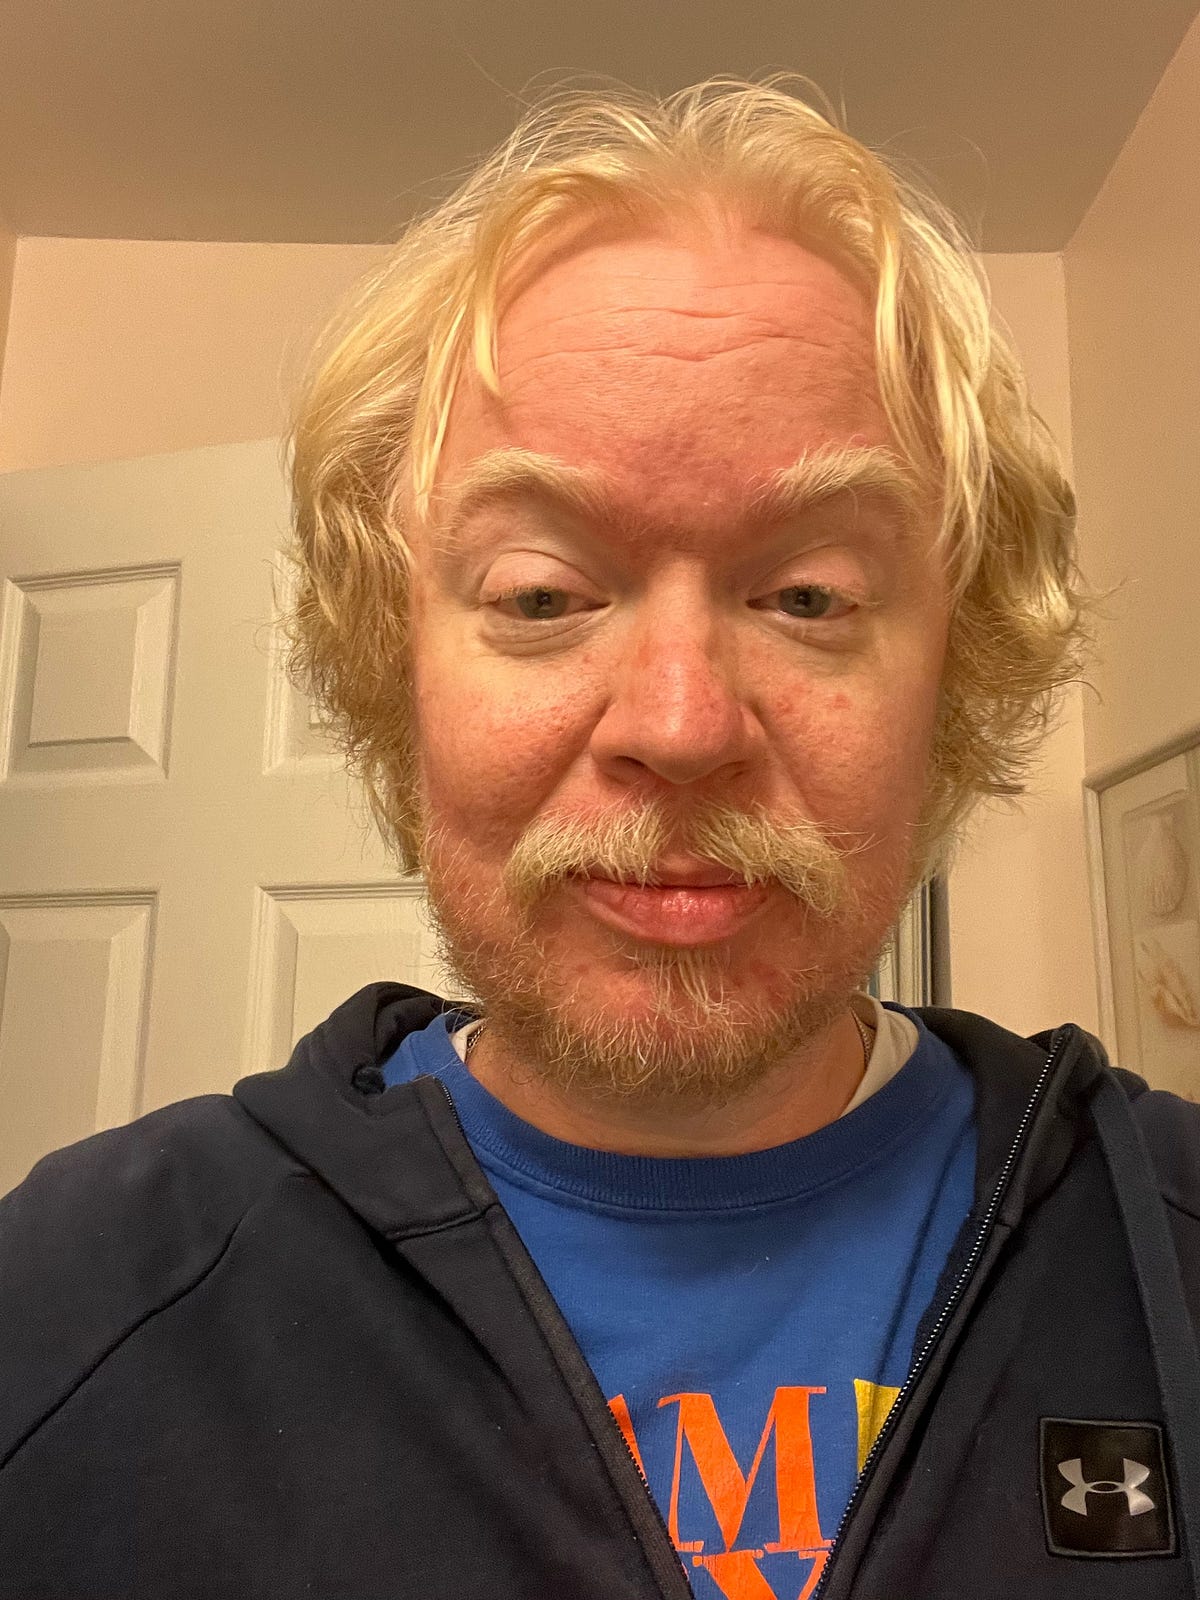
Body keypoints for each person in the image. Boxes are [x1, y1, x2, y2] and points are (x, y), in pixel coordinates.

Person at [1, 78, 1198, 1600]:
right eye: (542, 594)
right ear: (392, 667)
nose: (681, 726)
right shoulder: (68, 1306)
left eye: (809, 596)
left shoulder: (1175, 1247)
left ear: (955, 675)